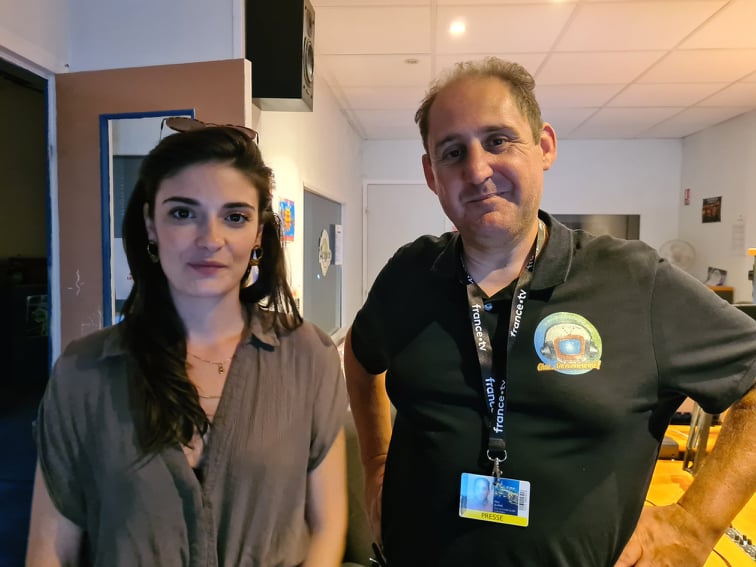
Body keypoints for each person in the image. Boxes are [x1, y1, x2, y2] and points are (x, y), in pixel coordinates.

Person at [344, 57, 756, 567]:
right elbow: (361, 357)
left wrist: (695, 523)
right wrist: (375, 461)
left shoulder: (633, 281)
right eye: (453, 152)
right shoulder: (409, 274)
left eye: (498, 141)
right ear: (432, 174)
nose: (477, 170)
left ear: (544, 147)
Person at [26, 122, 348, 566]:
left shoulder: (308, 355)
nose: (210, 240)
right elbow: (50, 549)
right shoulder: (84, 372)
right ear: (150, 224)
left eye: (235, 217)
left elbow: (327, 526)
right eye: (182, 213)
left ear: (258, 234)